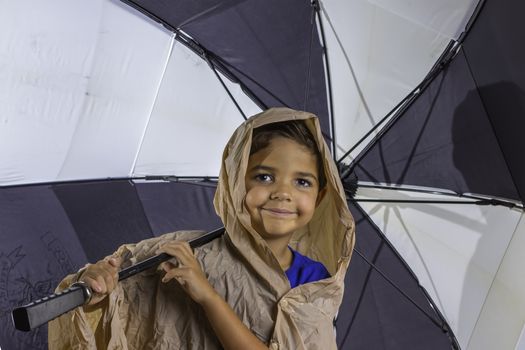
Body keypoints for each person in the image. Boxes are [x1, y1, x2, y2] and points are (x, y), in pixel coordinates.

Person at [48, 107, 355, 349]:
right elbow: (116, 314)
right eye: (264, 177)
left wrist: (208, 296)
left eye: (302, 181)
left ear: (321, 196)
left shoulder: (314, 282)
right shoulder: (184, 252)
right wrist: (96, 287)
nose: (283, 193)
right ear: (236, 181)